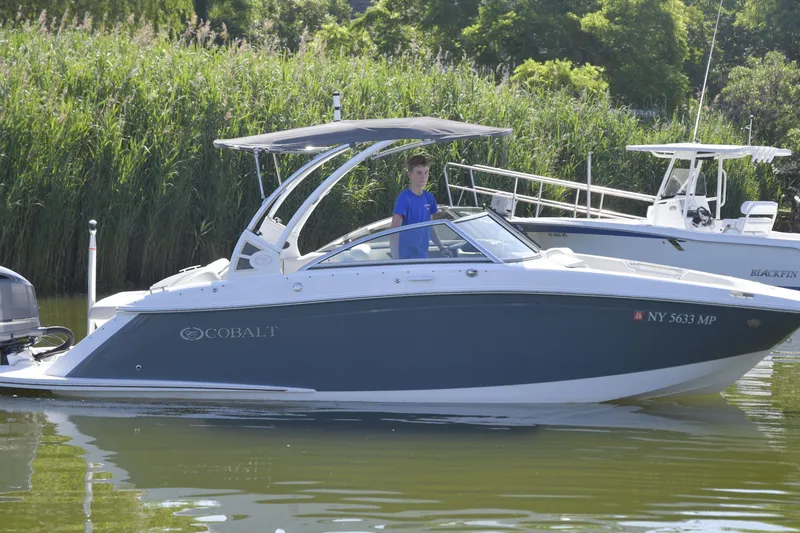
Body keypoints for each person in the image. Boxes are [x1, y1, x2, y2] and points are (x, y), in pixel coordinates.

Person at [390, 154, 451, 260]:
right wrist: (396, 260)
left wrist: (441, 247)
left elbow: (430, 227)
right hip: (405, 257)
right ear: (410, 175)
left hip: (423, 255)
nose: (423, 177)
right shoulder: (404, 198)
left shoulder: (429, 197)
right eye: (419, 173)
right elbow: (394, 231)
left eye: (426, 172)